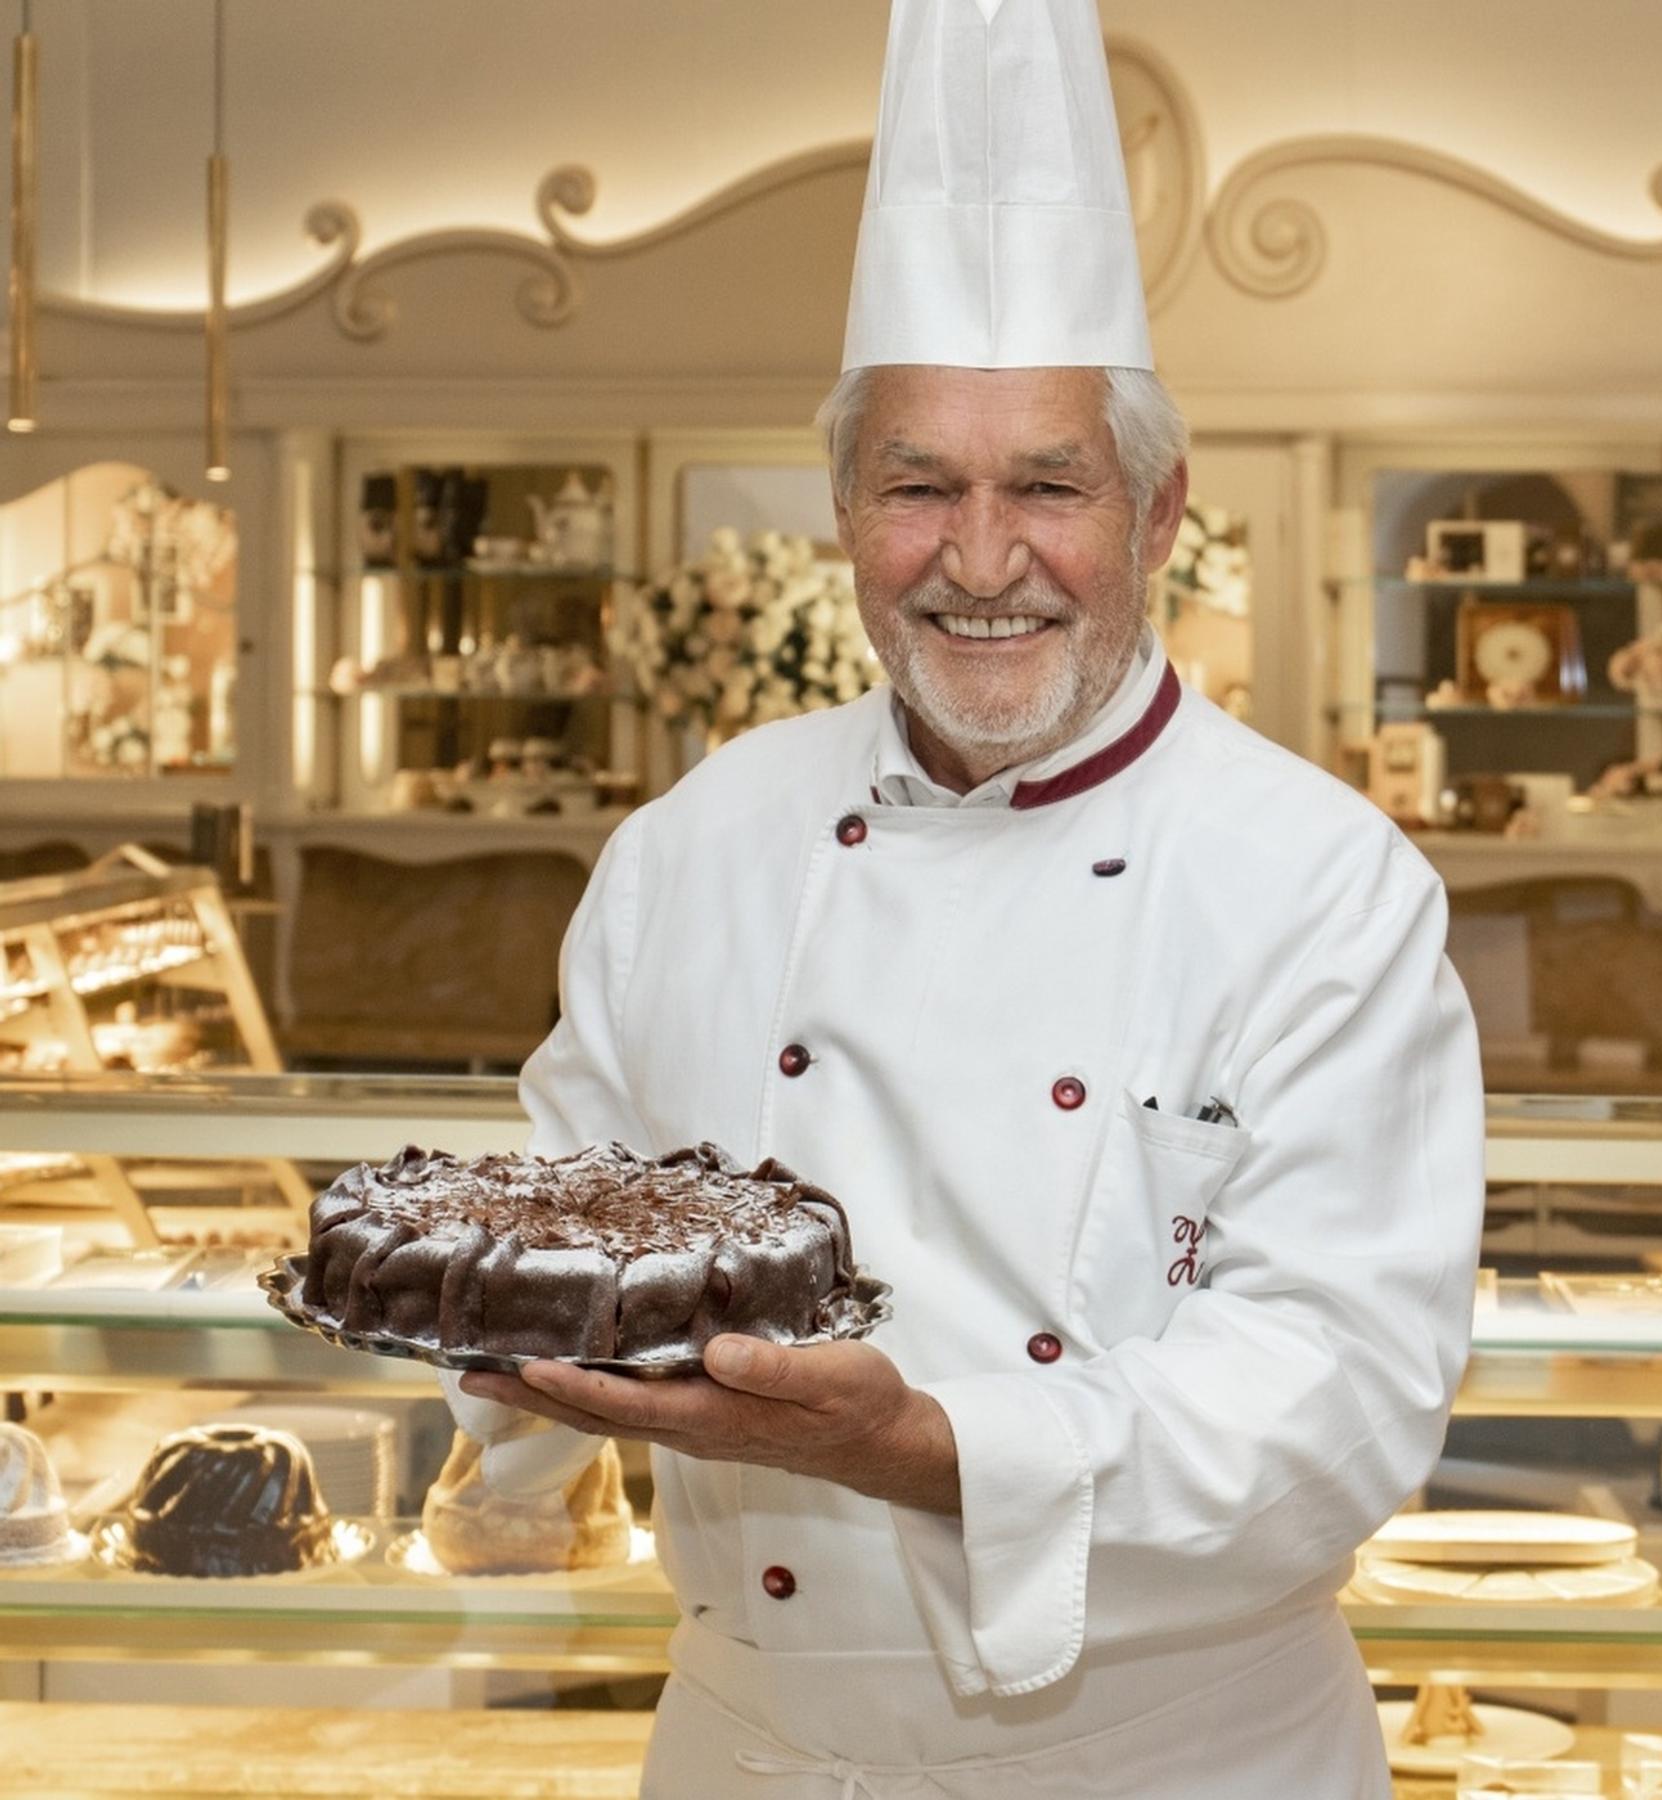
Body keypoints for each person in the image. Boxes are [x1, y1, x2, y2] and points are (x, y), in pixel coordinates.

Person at [452, 2, 1484, 1792]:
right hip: (751, 1751)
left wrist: (930, 1442)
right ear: (844, 509)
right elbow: (557, 1224)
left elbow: (1340, 1394)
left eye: (1049, 488)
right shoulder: (694, 844)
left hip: (1172, 1763)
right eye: (918, 485)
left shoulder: (1321, 885)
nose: (983, 560)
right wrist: (509, 1461)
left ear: (1160, 517)